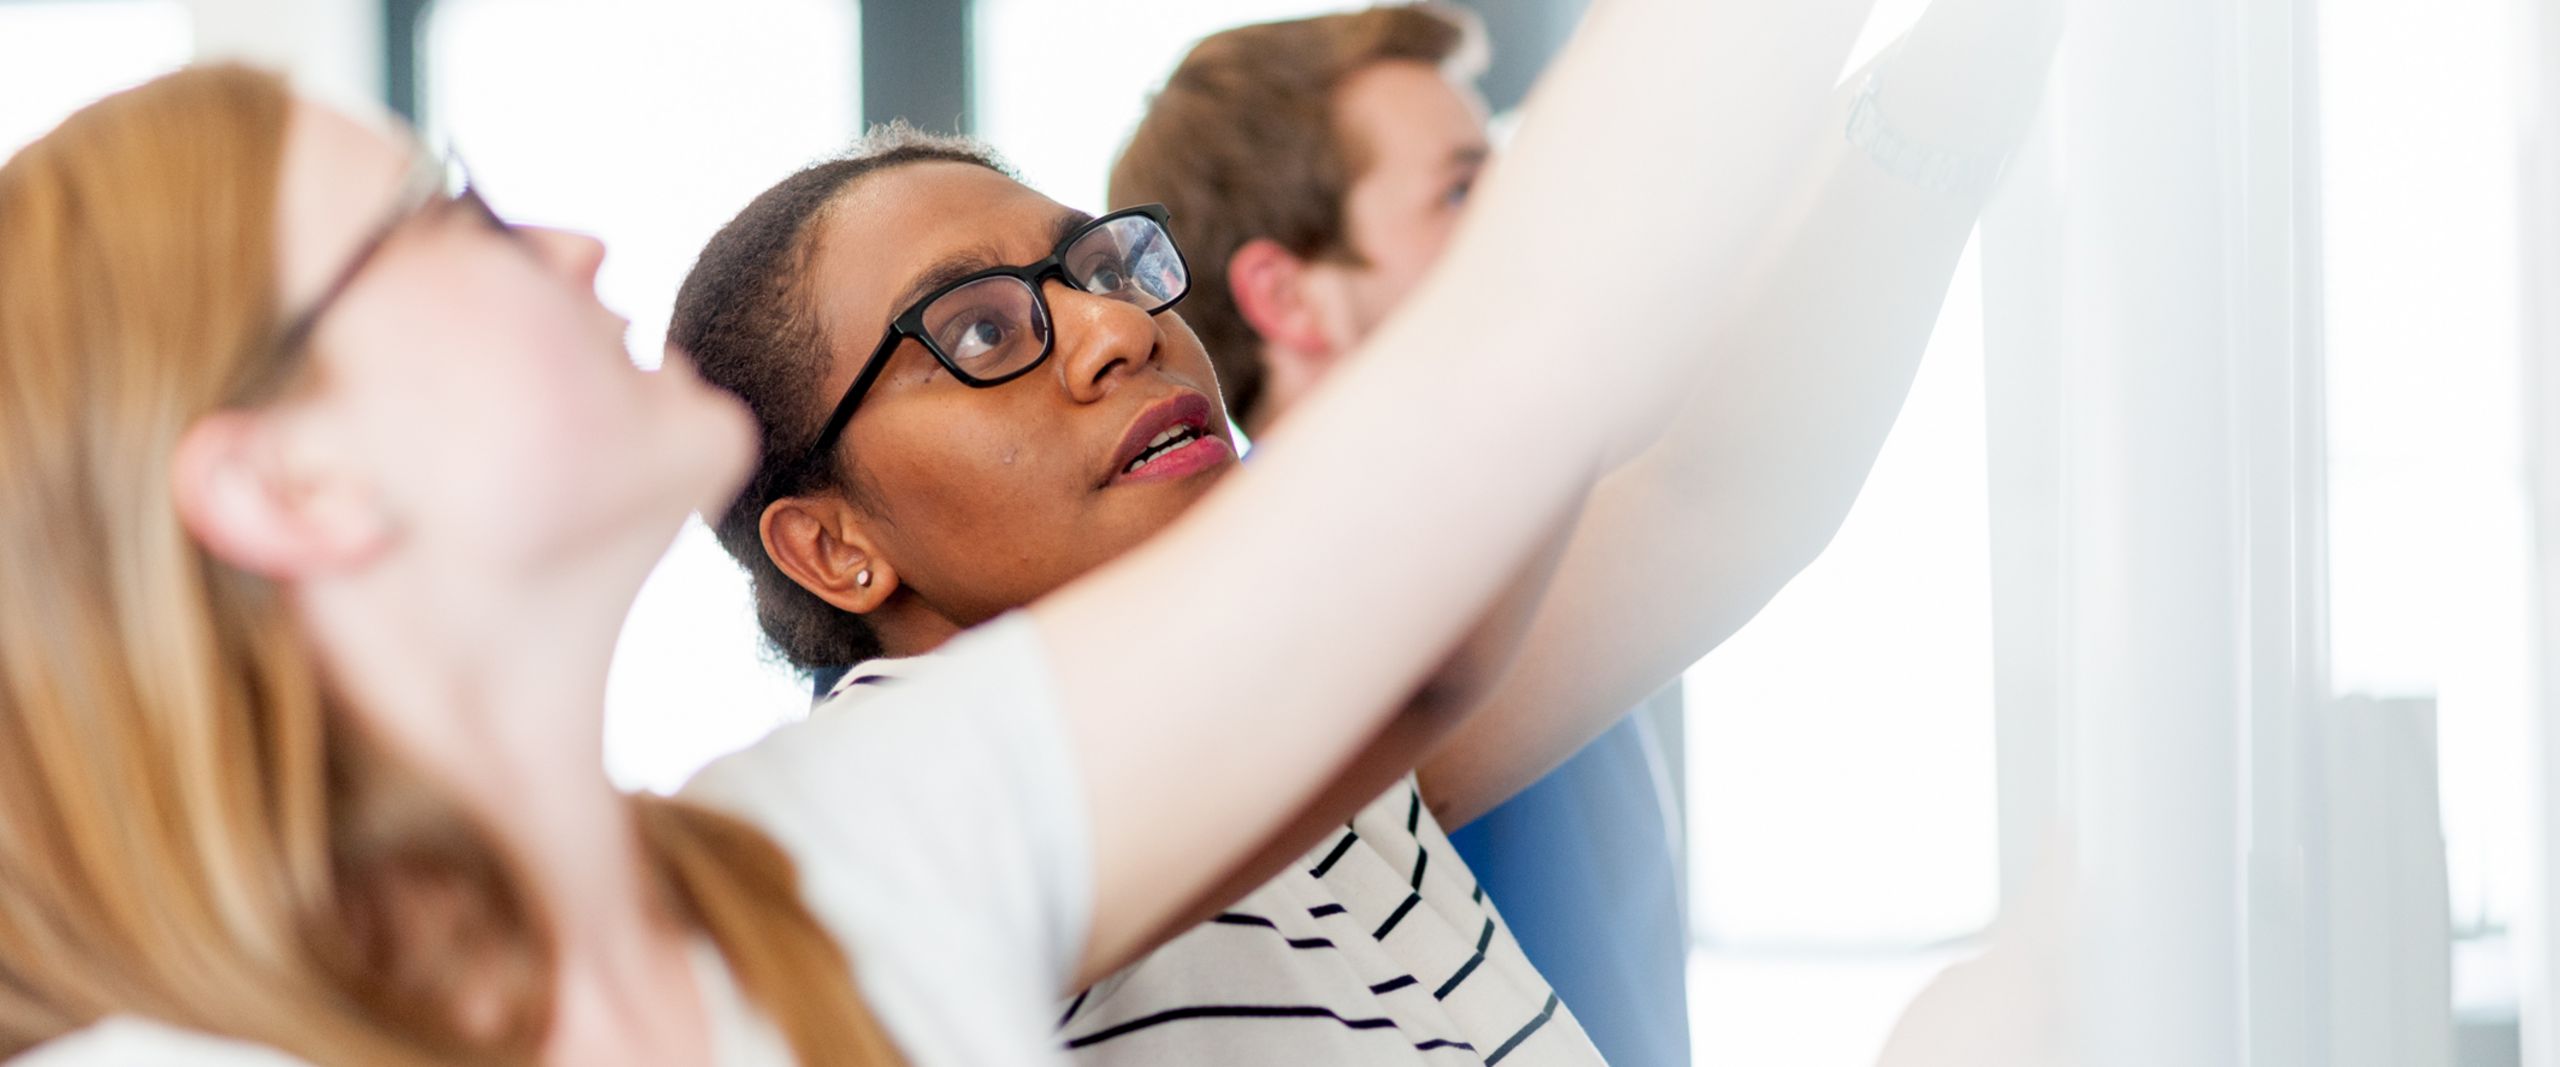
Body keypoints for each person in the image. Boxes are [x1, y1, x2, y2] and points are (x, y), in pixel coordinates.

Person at [0, 0, 1886, 1062]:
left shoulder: (834, 870)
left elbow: (1529, 367)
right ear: (289, 487)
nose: (571, 245)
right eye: (451, 224)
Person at [685, 0, 2059, 1063]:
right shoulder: (879, 811)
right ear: (830, 547)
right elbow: (1547, 362)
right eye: (983, 330)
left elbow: (1716, 493)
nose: (1119, 329)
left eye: (1102, 268)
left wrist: (1949, 96)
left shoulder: (1289, 773)